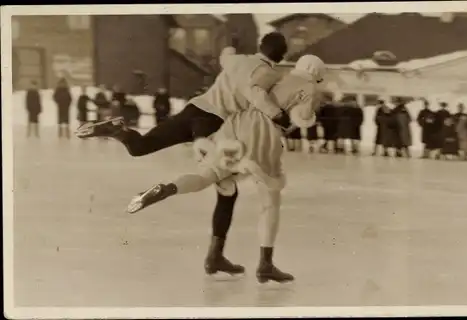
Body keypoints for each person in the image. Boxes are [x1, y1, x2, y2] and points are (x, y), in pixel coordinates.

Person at [76, 32, 290, 276]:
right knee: (223, 187)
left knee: (141, 146)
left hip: (194, 109)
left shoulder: (237, 60)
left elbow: (225, 55)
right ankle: (213, 253)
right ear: (282, 56)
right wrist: (279, 116)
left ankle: (118, 132)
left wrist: (231, 46)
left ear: (261, 45)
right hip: (214, 123)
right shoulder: (271, 74)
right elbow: (259, 97)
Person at [126, 55, 326, 284]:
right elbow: (300, 117)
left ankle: (168, 188)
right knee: (270, 201)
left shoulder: (280, 77)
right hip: (265, 134)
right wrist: (309, 117)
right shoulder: (309, 87)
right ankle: (265, 264)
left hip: (237, 125)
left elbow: (255, 92)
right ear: (317, 72)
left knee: (208, 175)